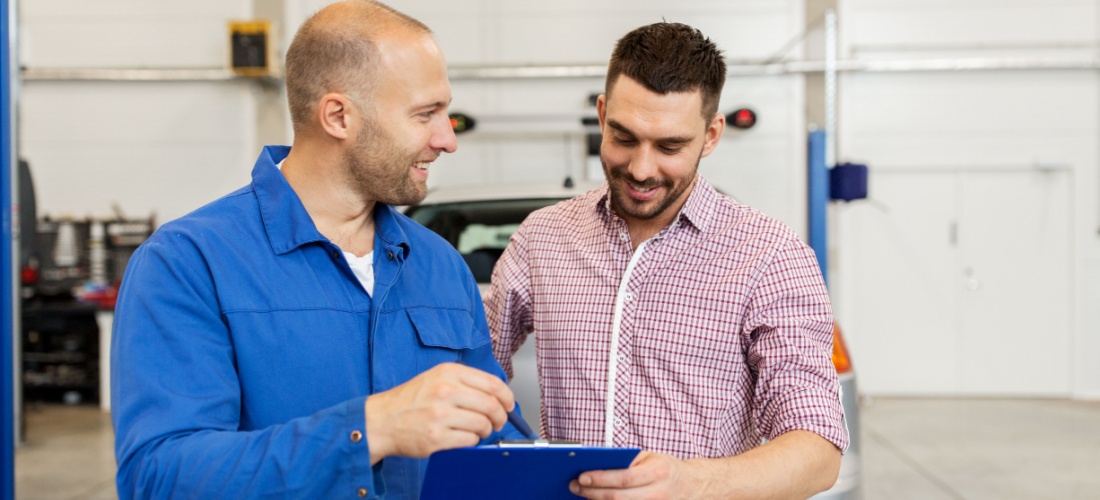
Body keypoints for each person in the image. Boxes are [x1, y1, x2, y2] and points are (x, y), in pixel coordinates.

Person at [111, 2, 527, 498]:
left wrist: (579, 475)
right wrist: (369, 429)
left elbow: (495, 443)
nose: (447, 140)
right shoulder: (187, 263)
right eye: (425, 114)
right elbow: (158, 476)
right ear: (338, 116)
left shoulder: (439, 266)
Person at [486, 22, 848, 499]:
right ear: (602, 114)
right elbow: (465, 373)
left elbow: (818, 450)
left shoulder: (770, 256)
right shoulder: (543, 238)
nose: (641, 168)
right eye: (624, 137)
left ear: (711, 135)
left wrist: (690, 482)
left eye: (670, 146)